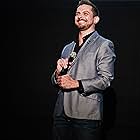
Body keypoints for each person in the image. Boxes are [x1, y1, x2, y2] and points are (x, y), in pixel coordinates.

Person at [51, 0, 116, 140]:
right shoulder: (68, 47)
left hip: (85, 116)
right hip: (60, 114)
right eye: (77, 13)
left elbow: (106, 79)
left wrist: (77, 84)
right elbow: (57, 80)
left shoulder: (104, 44)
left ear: (95, 19)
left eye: (85, 13)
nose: (80, 16)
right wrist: (57, 73)